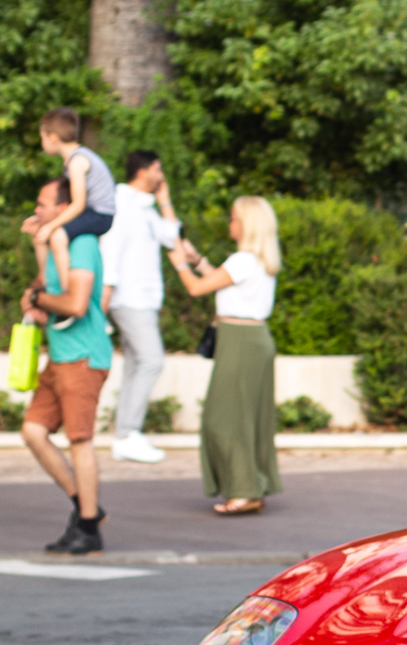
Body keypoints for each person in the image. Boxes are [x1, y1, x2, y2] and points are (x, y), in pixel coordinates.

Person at [171, 197, 282, 515]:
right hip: (250, 339)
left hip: (240, 342)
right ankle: (250, 486)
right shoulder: (256, 260)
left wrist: (179, 262)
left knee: (225, 419)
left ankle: (245, 490)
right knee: (246, 419)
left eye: (233, 218)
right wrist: (197, 259)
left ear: (246, 224)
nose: (229, 222)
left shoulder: (244, 260)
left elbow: (197, 288)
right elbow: (225, 283)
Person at [19, 178, 113, 554]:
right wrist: (39, 246)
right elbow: (47, 286)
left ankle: (89, 529)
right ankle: (85, 506)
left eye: (43, 203)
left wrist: (38, 297)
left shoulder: (83, 244)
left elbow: (75, 304)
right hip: (58, 356)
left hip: (83, 356)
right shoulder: (57, 243)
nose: (37, 209)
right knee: (33, 431)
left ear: (63, 208)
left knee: (80, 441)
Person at [98, 149, 181, 464]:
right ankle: (128, 433)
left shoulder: (146, 208)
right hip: (127, 298)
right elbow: (110, 251)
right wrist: (104, 302)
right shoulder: (122, 204)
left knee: (136, 364)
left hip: (145, 299)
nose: (162, 176)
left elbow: (172, 238)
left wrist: (165, 201)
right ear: (144, 171)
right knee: (151, 361)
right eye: (158, 170)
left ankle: (126, 436)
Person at [25, 107, 116, 249]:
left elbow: (78, 204)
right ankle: (44, 272)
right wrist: (41, 219)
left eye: (42, 138)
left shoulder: (76, 162)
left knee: (58, 236)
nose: (42, 144)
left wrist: (51, 226)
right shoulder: (74, 158)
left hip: (100, 215)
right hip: (92, 212)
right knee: (42, 229)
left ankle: (65, 272)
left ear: (53, 138)